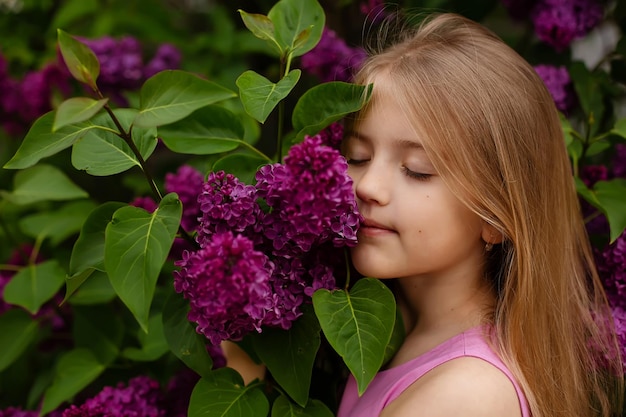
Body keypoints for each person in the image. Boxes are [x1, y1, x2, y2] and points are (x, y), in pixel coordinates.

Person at [337, 12, 624, 417]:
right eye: (357, 156)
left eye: (417, 169)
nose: (366, 186)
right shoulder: (399, 330)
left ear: (494, 217)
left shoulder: (465, 396)